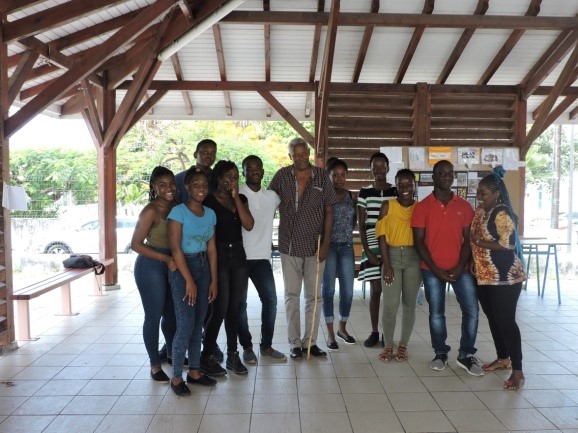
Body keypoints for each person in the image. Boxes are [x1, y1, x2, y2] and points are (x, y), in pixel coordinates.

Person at [412, 160, 482, 376]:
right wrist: (435, 269)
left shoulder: (464, 207)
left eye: (449, 173)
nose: (446, 176)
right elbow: (418, 242)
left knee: (472, 310)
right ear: (433, 177)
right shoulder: (422, 207)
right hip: (431, 269)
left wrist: (460, 267)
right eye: (441, 173)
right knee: (436, 313)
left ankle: (466, 354)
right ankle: (440, 353)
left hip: (460, 269)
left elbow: (468, 241)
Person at [269, 137, 337, 360]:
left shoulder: (322, 177)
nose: (300, 158)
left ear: (308, 154)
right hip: (289, 245)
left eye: (304, 153)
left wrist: (326, 244)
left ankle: (311, 342)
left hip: (315, 246)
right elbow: (269, 204)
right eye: (296, 154)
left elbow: (329, 211)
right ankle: (294, 344)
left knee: (314, 297)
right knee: (291, 296)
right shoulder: (281, 176)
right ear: (290, 156)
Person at [470, 167, 526, 390]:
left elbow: (507, 244)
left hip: (506, 279)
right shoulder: (480, 211)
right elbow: (472, 239)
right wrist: (474, 259)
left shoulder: (502, 213)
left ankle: (518, 371)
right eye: (478, 192)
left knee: (506, 321)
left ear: (496, 194)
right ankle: (503, 358)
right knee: (493, 318)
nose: (479, 196)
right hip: (484, 276)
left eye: (483, 193)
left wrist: (480, 242)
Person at [167, 167, 218, 395]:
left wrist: (213, 280)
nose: (201, 189)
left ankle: (195, 371)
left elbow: (212, 248)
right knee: (186, 324)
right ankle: (177, 377)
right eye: (196, 185)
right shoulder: (178, 212)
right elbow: (175, 249)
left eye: (205, 186)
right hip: (183, 269)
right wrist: (189, 280)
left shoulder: (210, 214)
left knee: (198, 324)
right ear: (187, 187)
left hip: (203, 267)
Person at [200, 160, 254, 376]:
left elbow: (249, 224)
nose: (232, 180)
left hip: (239, 255)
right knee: (220, 309)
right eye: (227, 176)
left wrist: (236, 198)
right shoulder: (209, 201)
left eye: (235, 177)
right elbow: (209, 239)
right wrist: (212, 274)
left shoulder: (241, 199)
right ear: (218, 178)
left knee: (234, 309)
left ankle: (233, 355)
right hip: (219, 255)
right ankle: (206, 356)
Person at [237, 155, 287, 363]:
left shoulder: (272, 196)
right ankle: (247, 347)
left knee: (271, 301)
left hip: (262, 259)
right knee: (240, 305)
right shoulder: (237, 193)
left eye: (258, 167)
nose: (254, 171)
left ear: (263, 171)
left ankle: (266, 346)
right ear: (243, 172)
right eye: (249, 168)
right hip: (239, 258)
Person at [132, 166, 178, 382]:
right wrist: (165, 258)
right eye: (162, 185)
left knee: (172, 314)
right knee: (153, 316)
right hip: (150, 265)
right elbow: (135, 244)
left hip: (171, 263)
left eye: (172, 184)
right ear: (154, 188)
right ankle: (154, 365)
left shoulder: (177, 207)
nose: (169, 188)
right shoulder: (150, 211)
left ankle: (171, 354)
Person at [375, 168, 421, 362]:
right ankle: (388, 345)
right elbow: (381, 236)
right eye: (401, 184)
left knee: (410, 305)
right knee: (390, 305)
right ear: (396, 186)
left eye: (409, 184)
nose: (405, 188)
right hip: (391, 256)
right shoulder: (387, 206)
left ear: (414, 186)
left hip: (413, 258)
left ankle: (403, 345)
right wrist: (386, 264)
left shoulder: (420, 208)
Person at [357, 152, 397, 347]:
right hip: (372, 246)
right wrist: (368, 250)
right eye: (375, 166)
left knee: (390, 292)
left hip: (392, 245)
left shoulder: (396, 191)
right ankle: (374, 331)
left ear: (388, 168)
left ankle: (387, 334)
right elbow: (362, 224)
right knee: (376, 289)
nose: (379, 170)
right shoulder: (365, 192)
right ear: (370, 169)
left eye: (383, 166)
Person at [321, 157, 357, 351]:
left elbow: (353, 221)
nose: (339, 179)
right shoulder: (324, 196)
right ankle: (330, 333)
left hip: (346, 247)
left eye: (343, 175)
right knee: (328, 291)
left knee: (348, 292)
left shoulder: (352, 196)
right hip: (329, 247)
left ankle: (342, 328)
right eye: (335, 175)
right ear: (329, 176)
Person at [174, 139, 217, 204]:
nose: (209, 156)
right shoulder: (178, 179)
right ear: (195, 154)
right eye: (205, 152)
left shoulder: (218, 179)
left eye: (213, 153)